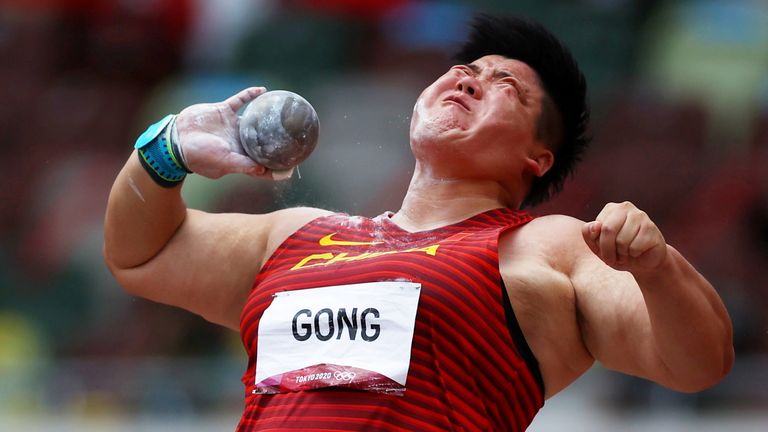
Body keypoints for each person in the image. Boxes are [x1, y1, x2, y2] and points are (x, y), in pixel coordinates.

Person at [103, 14, 734, 431]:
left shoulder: (546, 244)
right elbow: (143, 255)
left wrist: (657, 266)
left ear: (536, 158)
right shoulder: (293, 235)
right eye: (464, 71)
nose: (469, 80)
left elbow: (697, 363)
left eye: (505, 85)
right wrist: (167, 148)